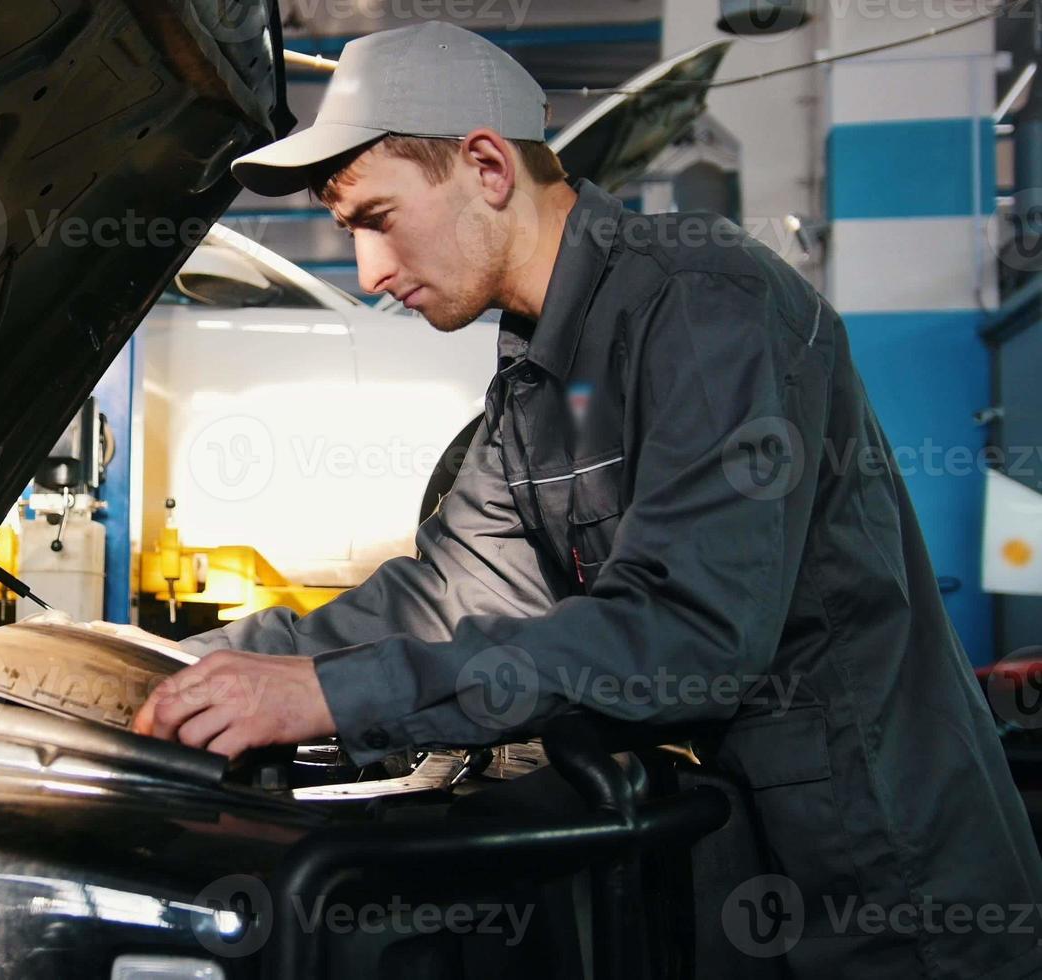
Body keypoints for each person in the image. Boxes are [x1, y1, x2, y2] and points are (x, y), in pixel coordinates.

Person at [129, 22, 1042, 976]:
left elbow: (686, 629)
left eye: (377, 219)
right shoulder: (539, 370)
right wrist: (174, 666)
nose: (369, 273)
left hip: (886, 887)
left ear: (486, 166)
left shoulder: (705, 304)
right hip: (739, 878)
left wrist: (335, 694)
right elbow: (446, 593)